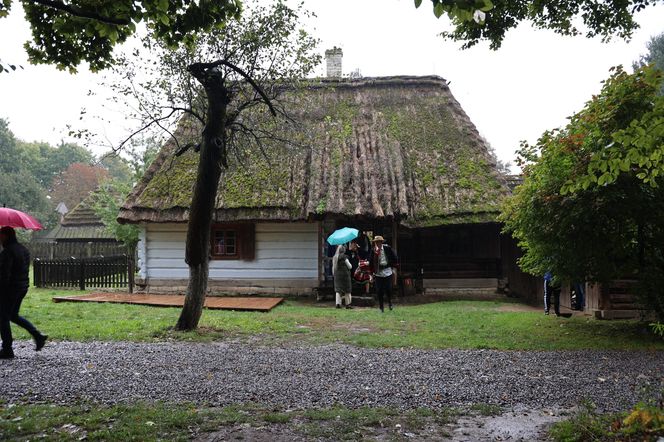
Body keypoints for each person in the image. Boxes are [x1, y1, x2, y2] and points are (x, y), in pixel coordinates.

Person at [0, 226, 47, 359]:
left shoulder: (8, 252)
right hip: (22, 287)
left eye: (0, 234)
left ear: (5, 236)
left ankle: (7, 349)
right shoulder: (23, 249)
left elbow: (5, 275)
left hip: (10, 289)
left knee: (3, 318)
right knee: (13, 315)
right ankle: (38, 336)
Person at [370, 235, 398, 312]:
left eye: (378, 242)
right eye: (376, 242)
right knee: (379, 290)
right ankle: (381, 307)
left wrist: (392, 265)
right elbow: (371, 262)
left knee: (388, 289)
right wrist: (371, 274)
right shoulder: (373, 251)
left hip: (387, 271)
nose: (377, 243)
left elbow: (395, 257)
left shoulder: (387, 248)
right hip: (378, 273)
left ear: (381, 242)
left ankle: (390, 303)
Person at [333, 245, 353, 309]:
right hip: (345, 276)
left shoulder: (335, 257)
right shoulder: (345, 257)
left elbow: (333, 268)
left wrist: (334, 275)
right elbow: (350, 266)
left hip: (337, 276)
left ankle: (338, 304)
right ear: (344, 250)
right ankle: (348, 304)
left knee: (338, 290)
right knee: (347, 290)